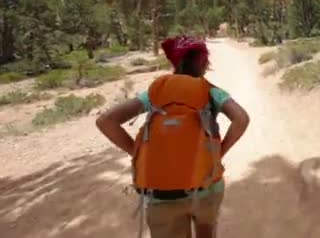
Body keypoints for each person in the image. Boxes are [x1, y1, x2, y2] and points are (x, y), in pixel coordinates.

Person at [96, 36, 249, 238]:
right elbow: (241, 118)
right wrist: (219, 153)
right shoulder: (211, 92)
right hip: (207, 184)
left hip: (161, 192)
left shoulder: (156, 93)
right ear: (204, 62)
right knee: (206, 233)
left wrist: (136, 152)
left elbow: (105, 121)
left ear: (175, 63)